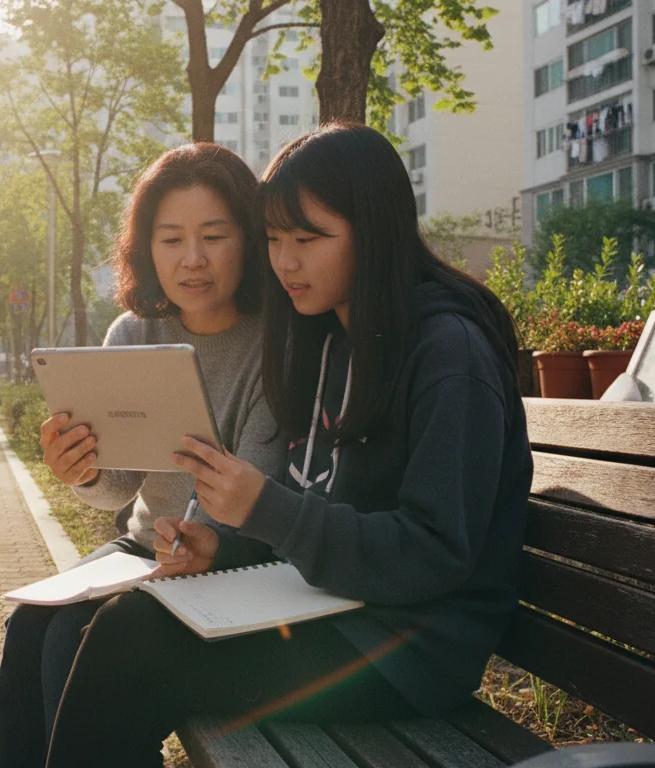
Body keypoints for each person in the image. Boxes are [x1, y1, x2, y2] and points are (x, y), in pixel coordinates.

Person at [40, 123, 533, 767]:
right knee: (77, 631)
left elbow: (434, 554)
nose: (284, 262)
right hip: (332, 605)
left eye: (308, 239)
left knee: (133, 642)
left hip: (404, 650)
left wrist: (265, 510)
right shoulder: (329, 337)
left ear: (375, 232)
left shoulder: (448, 354)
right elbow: (316, 505)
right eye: (273, 240)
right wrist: (224, 545)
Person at [0, 143, 287, 768]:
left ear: (248, 238)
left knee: (71, 642)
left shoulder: (274, 344)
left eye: (214, 235)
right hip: (140, 549)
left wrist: (189, 543)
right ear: (145, 249)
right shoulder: (133, 333)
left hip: (223, 560)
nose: (192, 260)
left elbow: (254, 497)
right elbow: (115, 490)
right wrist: (83, 470)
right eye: (171, 239)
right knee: (28, 628)